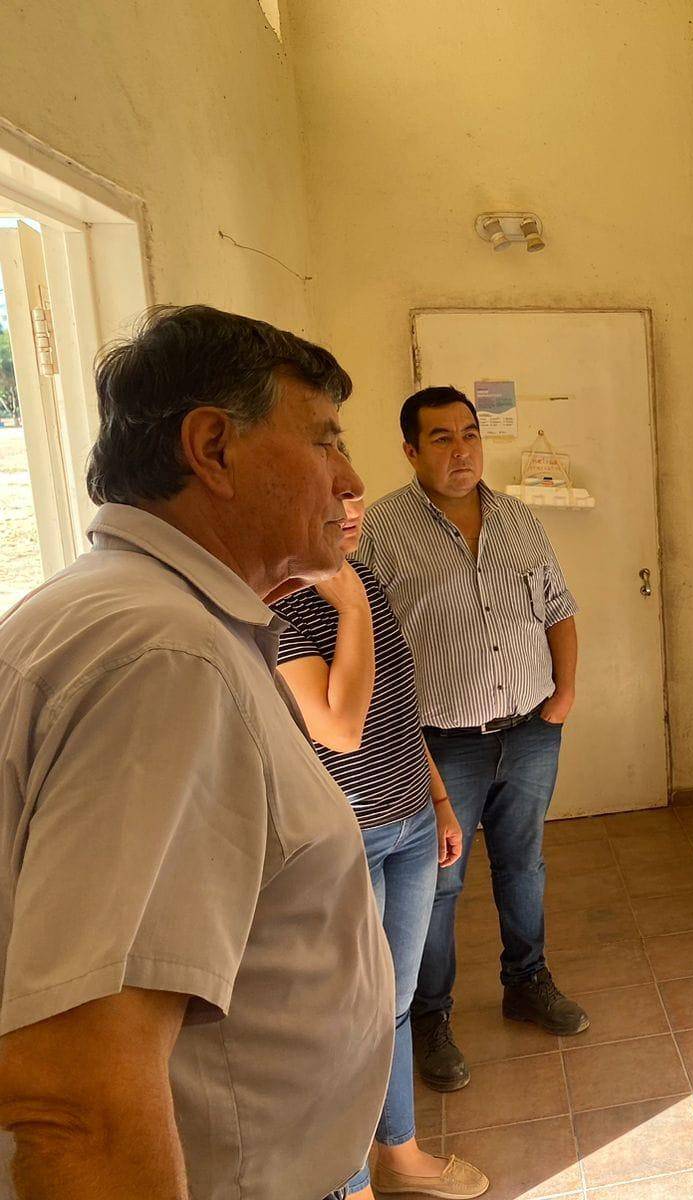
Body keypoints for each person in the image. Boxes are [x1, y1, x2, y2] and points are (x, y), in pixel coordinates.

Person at [0, 305, 392, 1200]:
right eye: (325, 441)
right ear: (213, 448)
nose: (350, 479)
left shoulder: (114, 610)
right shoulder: (167, 661)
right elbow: (76, 1101)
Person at [358, 385, 584, 1093]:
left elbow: (558, 609)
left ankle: (527, 982)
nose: (461, 451)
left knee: (523, 864)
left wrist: (563, 695)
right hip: (440, 743)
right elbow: (370, 647)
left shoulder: (518, 519)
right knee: (438, 884)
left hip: (530, 730)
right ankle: (431, 1016)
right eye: (441, 438)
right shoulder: (382, 530)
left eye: (470, 434)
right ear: (410, 451)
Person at [273, 484, 487, 1199]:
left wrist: (439, 800)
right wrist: (352, 607)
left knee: (394, 1002)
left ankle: (401, 1154)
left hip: (411, 822)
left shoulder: (362, 578)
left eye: (354, 491)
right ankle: (352, 1181)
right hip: (344, 840)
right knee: (345, 1014)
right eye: (332, 496)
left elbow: (398, 706)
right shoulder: (273, 605)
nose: (352, 506)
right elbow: (339, 727)